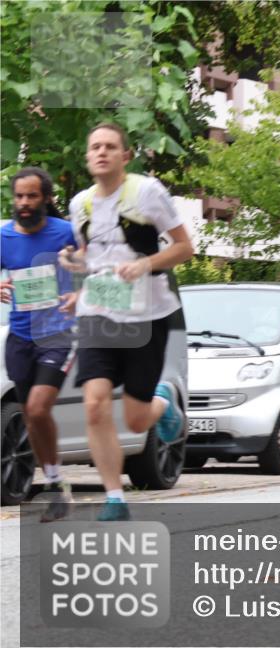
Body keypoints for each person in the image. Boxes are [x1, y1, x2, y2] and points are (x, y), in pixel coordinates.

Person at [58, 122, 193, 521]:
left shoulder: (147, 193)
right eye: (95, 146)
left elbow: (186, 247)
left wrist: (146, 263)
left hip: (147, 317)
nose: (101, 152)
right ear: (87, 156)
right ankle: (114, 495)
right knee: (95, 404)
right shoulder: (79, 204)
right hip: (98, 314)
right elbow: (91, 259)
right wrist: (78, 284)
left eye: (110, 146)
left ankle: (163, 402)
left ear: (125, 155)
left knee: (135, 418)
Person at [0, 167, 77, 520]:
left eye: (32, 196)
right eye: (19, 196)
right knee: (32, 416)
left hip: (59, 335)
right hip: (19, 336)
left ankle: (56, 486)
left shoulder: (66, 232)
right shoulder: (4, 236)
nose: (24, 203)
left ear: (46, 198)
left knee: (37, 407)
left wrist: (79, 291)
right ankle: (56, 485)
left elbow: (97, 270)